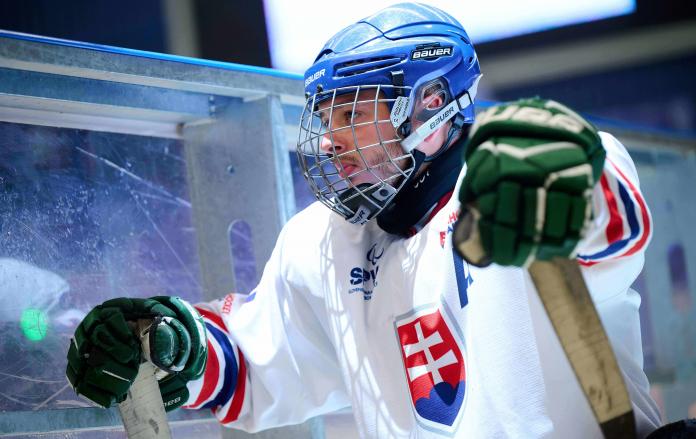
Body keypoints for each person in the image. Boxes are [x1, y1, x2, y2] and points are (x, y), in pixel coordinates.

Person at [66, 3, 662, 437]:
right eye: (326, 120)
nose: (328, 143)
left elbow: (604, 231)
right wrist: (176, 343)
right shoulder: (321, 242)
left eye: (351, 112)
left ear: (431, 101)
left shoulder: (518, 177)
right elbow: (265, 361)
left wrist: (569, 185)